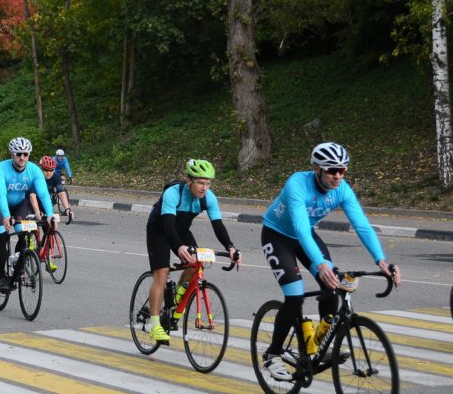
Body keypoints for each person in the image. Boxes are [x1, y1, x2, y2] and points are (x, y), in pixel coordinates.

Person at [260, 142, 402, 381]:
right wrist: (320, 263)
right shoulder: (297, 183)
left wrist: (381, 261)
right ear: (317, 169)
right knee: (294, 296)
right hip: (278, 236)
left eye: (342, 170)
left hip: (306, 236)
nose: (338, 176)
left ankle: (319, 343)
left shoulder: (342, 190)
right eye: (332, 170)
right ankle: (272, 353)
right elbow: (301, 227)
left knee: (333, 285)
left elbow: (362, 226)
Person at [145, 159, 242, 343]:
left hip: (180, 231)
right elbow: (167, 225)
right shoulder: (173, 193)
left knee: (195, 263)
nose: (204, 188)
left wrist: (230, 247)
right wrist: (178, 246)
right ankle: (154, 324)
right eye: (200, 183)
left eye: (208, 183)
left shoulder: (209, 198)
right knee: (162, 273)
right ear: (189, 181)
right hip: (159, 229)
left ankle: (177, 299)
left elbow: (218, 226)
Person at [0, 137, 56, 293]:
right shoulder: (1, 168)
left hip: (19, 204)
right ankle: (2, 277)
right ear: (12, 154)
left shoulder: (34, 170)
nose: (22, 157)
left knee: (25, 235)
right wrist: (5, 215)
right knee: (2, 235)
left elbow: (43, 194)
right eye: (19, 154)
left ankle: (17, 271)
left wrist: (50, 215)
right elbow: (1, 194)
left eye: (25, 154)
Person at [29, 155, 74, 221]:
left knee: (51, 228)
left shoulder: (56, 176)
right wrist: (37, 212)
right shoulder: (35, 177)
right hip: (31, 204)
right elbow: (32, 196)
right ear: (41, 169)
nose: (49, 173)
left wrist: (67, 209)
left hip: (45, 203)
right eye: (46, 170)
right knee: (34, 229)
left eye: (51, 170)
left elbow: (61, 192)